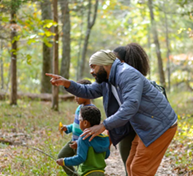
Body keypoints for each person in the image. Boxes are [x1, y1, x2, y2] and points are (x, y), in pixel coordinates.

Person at [47, 50, 177, 176]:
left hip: (160, 125)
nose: (92, 72)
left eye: (93, 67)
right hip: (146, 125)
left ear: (105, 64)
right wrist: (67, 83)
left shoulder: (127, 74)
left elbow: (130, 106)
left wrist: (104, 125)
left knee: (139, 170)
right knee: (131, 165)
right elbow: (87, 91)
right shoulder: (107, 79)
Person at [111, 43, 150, 174]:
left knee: (132, 168)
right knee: (133, 167)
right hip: (137, 128)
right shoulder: (135, 79)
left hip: (132, 129)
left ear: (121, 62)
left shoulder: (127, 80)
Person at [56, 106, 110, 176]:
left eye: (79, 120)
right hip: (101, 172)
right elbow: (106, 155)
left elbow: (80, 158)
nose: (79, 122)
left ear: (85, 123)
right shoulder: (104, 138)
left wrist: (64, 161)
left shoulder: (83, 138)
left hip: (87, 173)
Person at [57, 79, 95, 176]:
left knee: (82, 165)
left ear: (87, 94)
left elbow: (92, 130)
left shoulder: (91, 111)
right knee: (62, 156)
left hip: (83, 144)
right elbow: (77, 124)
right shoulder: (79, 107)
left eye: (78, 95)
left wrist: (80, 143)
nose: (75, 98)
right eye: (75, 94)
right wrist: (68, 128)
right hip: (73, 140)